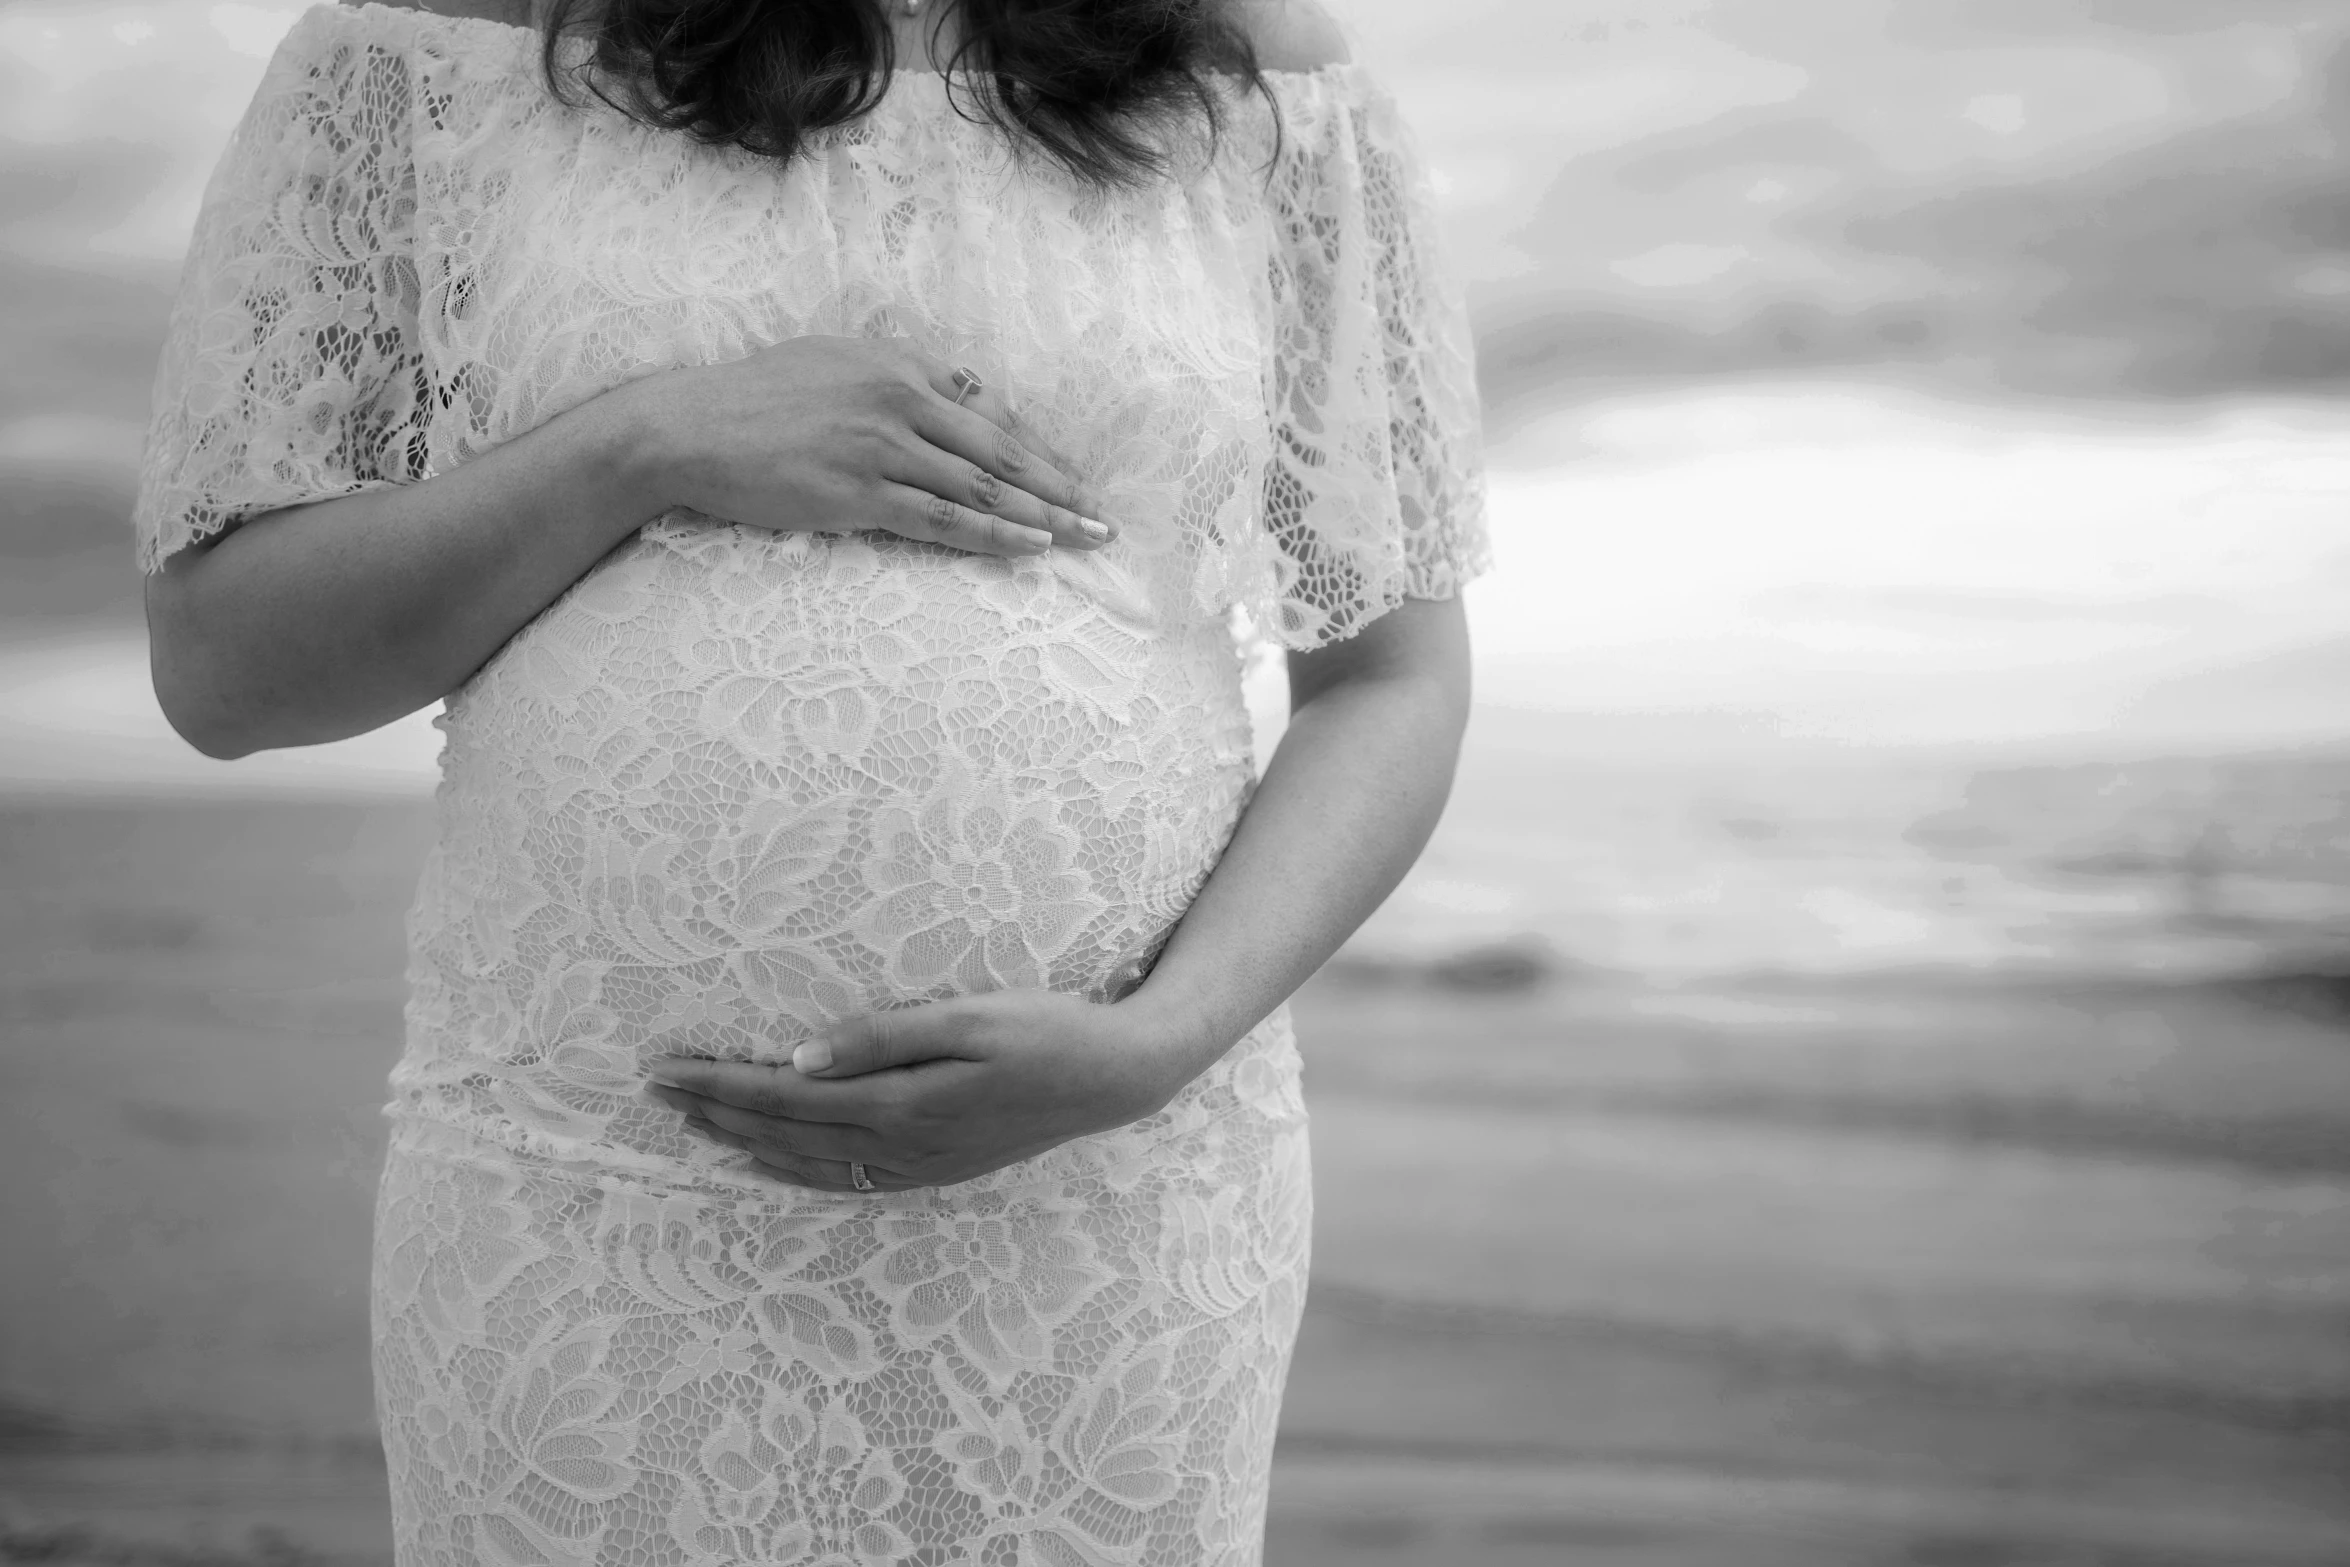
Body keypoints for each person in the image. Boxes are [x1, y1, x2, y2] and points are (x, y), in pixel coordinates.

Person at [135, 0, 1486, 1557]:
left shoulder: (1262, 65)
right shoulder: (427, 44)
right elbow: (226, 666)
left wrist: (1154, 1043)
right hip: (596, 1200)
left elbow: (1390, 680)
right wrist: (643, 443)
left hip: (1114, 1191)